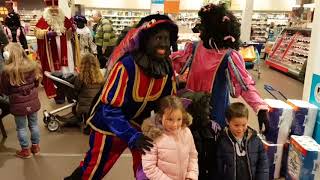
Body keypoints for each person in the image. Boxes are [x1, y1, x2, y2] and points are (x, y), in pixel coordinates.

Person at [65, 14, 178, 179]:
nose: (163, 43)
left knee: (148, 168)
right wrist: (131, 136)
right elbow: (109, 110)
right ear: (146, 40)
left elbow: (169, 103)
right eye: (158, 37)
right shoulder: (126, 66)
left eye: (167, 39)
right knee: (93, 170)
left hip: (140, 124)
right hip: (109, 125)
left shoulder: (166, 68)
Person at [171, 3, 269, 133]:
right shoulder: (194, 48)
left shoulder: (229, 56)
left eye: (204, 25)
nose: (200, 30)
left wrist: (260, 107)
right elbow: (173, 62)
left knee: (211, 146)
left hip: (214, 112)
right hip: (189, 106)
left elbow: (244, 84)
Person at [0, 43, 42, 158]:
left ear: (7, 55)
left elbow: (4, 90)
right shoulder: (32, 65)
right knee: (34, 125)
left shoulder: (6, 71)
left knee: (21, 127)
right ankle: (36, 147)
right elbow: (37, 82)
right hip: (33, 102)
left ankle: (25, 150)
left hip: (18, 105)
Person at [141, 95, 198, 180]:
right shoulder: (153, 136)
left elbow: (192, 156)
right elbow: (149, 168)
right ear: (161, 117)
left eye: (179, 119)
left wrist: (191, 176)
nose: (175, 125)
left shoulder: (187, 132)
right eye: (170, 119)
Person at [216, 102, 269, 180]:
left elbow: (263, 165)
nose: (240, 129)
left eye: (244, 125)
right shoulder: (222, 140)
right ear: (227, 121)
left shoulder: (255, 139)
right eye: (236, 125)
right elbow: (218, 166)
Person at [73, 53, 104, 124]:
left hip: (84, 109)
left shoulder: (80, 77)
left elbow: (76, 90)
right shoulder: (100, 76)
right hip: (96, 107)